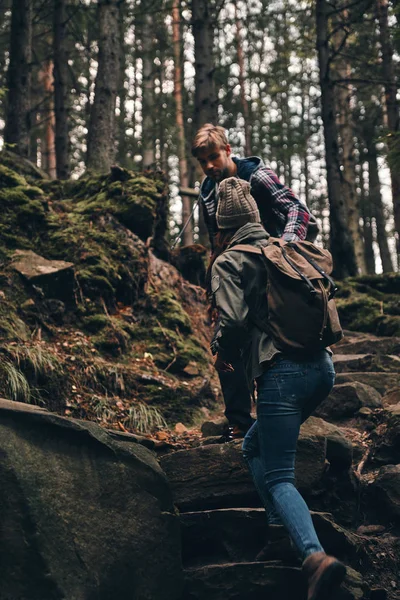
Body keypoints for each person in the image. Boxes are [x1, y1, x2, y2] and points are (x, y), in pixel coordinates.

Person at [207, 177, 346, 600]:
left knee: (281, 474)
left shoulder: (229, 260)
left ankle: (313, 557)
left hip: (282, 375)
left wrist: (221, 349)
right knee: (253, 448)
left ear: (222, 228)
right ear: (255, 217)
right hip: (322, 369)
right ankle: (276, 529)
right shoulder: (283, 248)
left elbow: (230, 322)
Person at [192, 123, 318, 440]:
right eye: (202, 161)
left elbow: (297, 211)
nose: (209, 166)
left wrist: (284, 252)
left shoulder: (258, 175)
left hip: (277, 271)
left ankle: (281, 411)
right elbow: (216, 237)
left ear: (228, 150)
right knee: (228, 328)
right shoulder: (207, 190)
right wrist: (215, 286)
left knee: (273, 342)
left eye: (213, 157)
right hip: (236, 269)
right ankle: (238, 420)